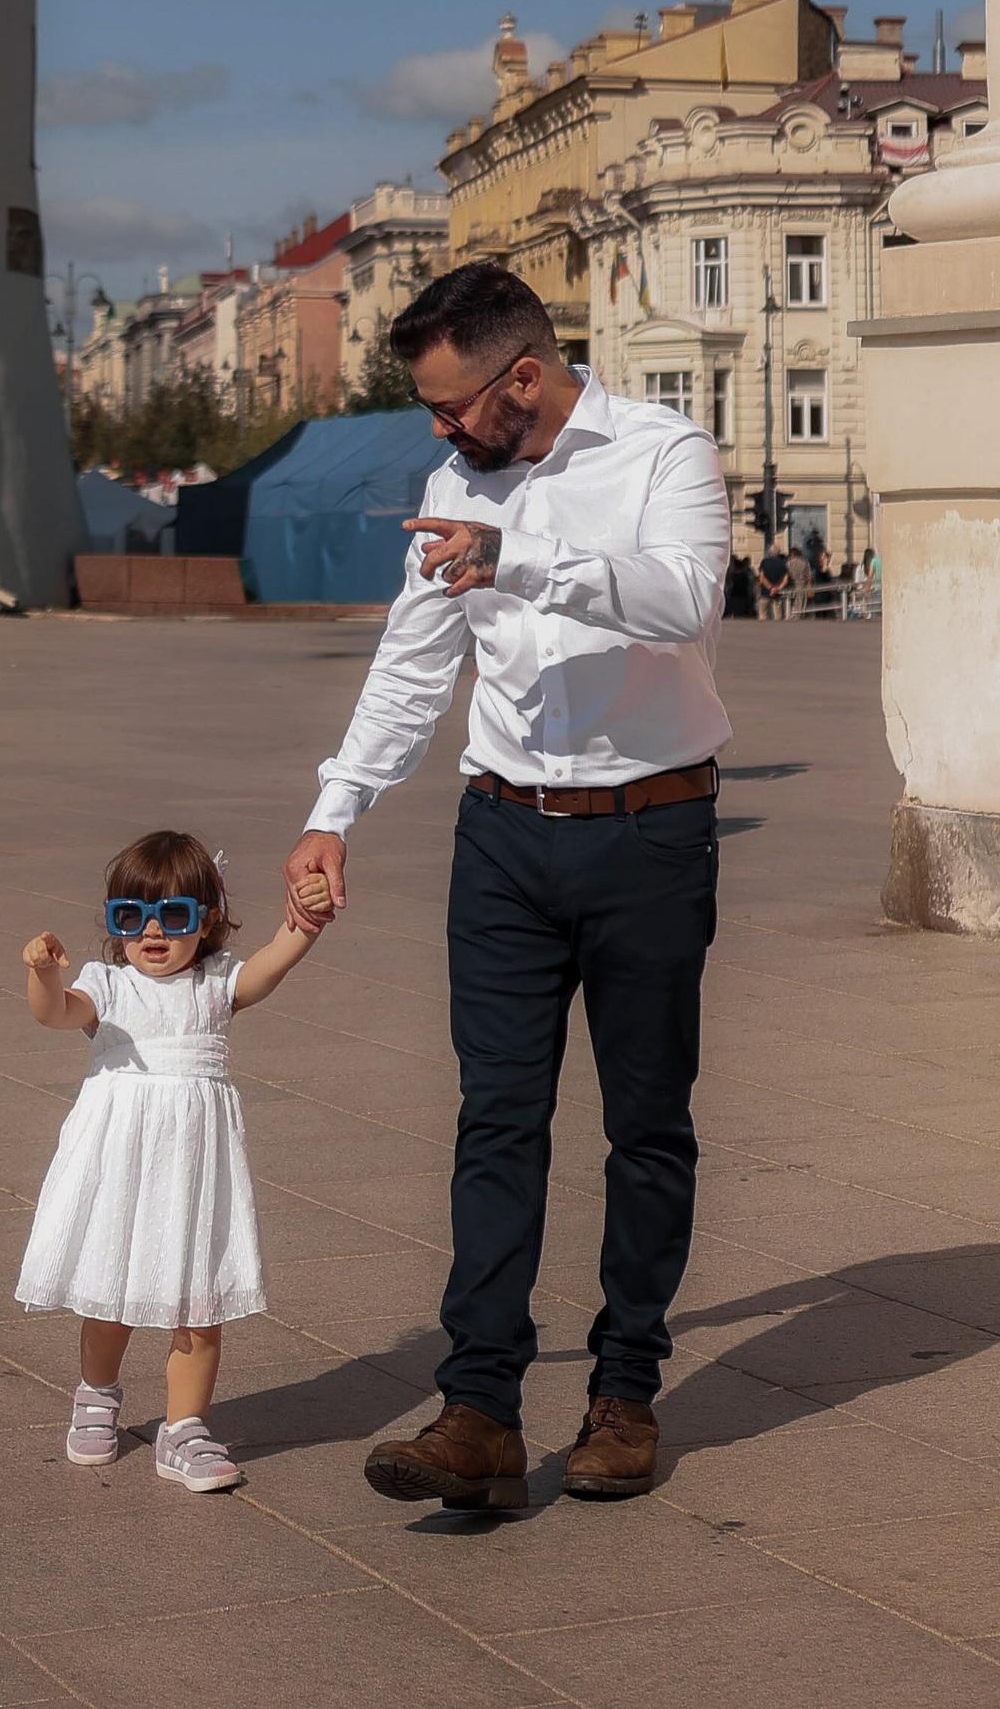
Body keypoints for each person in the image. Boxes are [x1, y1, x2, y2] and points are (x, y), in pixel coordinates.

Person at [284, 261, 729, 1513]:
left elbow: (685, 597)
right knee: (495, 1120)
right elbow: (413, 664)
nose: (438, 430)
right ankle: (476, 1408)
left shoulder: (660, 452)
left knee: (644, 1124)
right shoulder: (451, 487)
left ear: (521, 377)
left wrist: (519, 557)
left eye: (451, 404)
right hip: (502, 839)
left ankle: (623, 1394)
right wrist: (335, 813)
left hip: (649, 831)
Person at [16, 826, 331, 1490]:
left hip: (194, 1166)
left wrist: (309, 916)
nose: (151, 932)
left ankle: (183, 1429)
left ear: (208, 920)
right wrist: (42, 975)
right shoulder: (107, 985)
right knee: (109, 1293)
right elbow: (56, 1013)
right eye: (130, 917)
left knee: (198, 1302)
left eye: (174, 915)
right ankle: (96, 1394)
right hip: (118, 1162)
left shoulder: (218, 985)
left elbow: (278, 957)